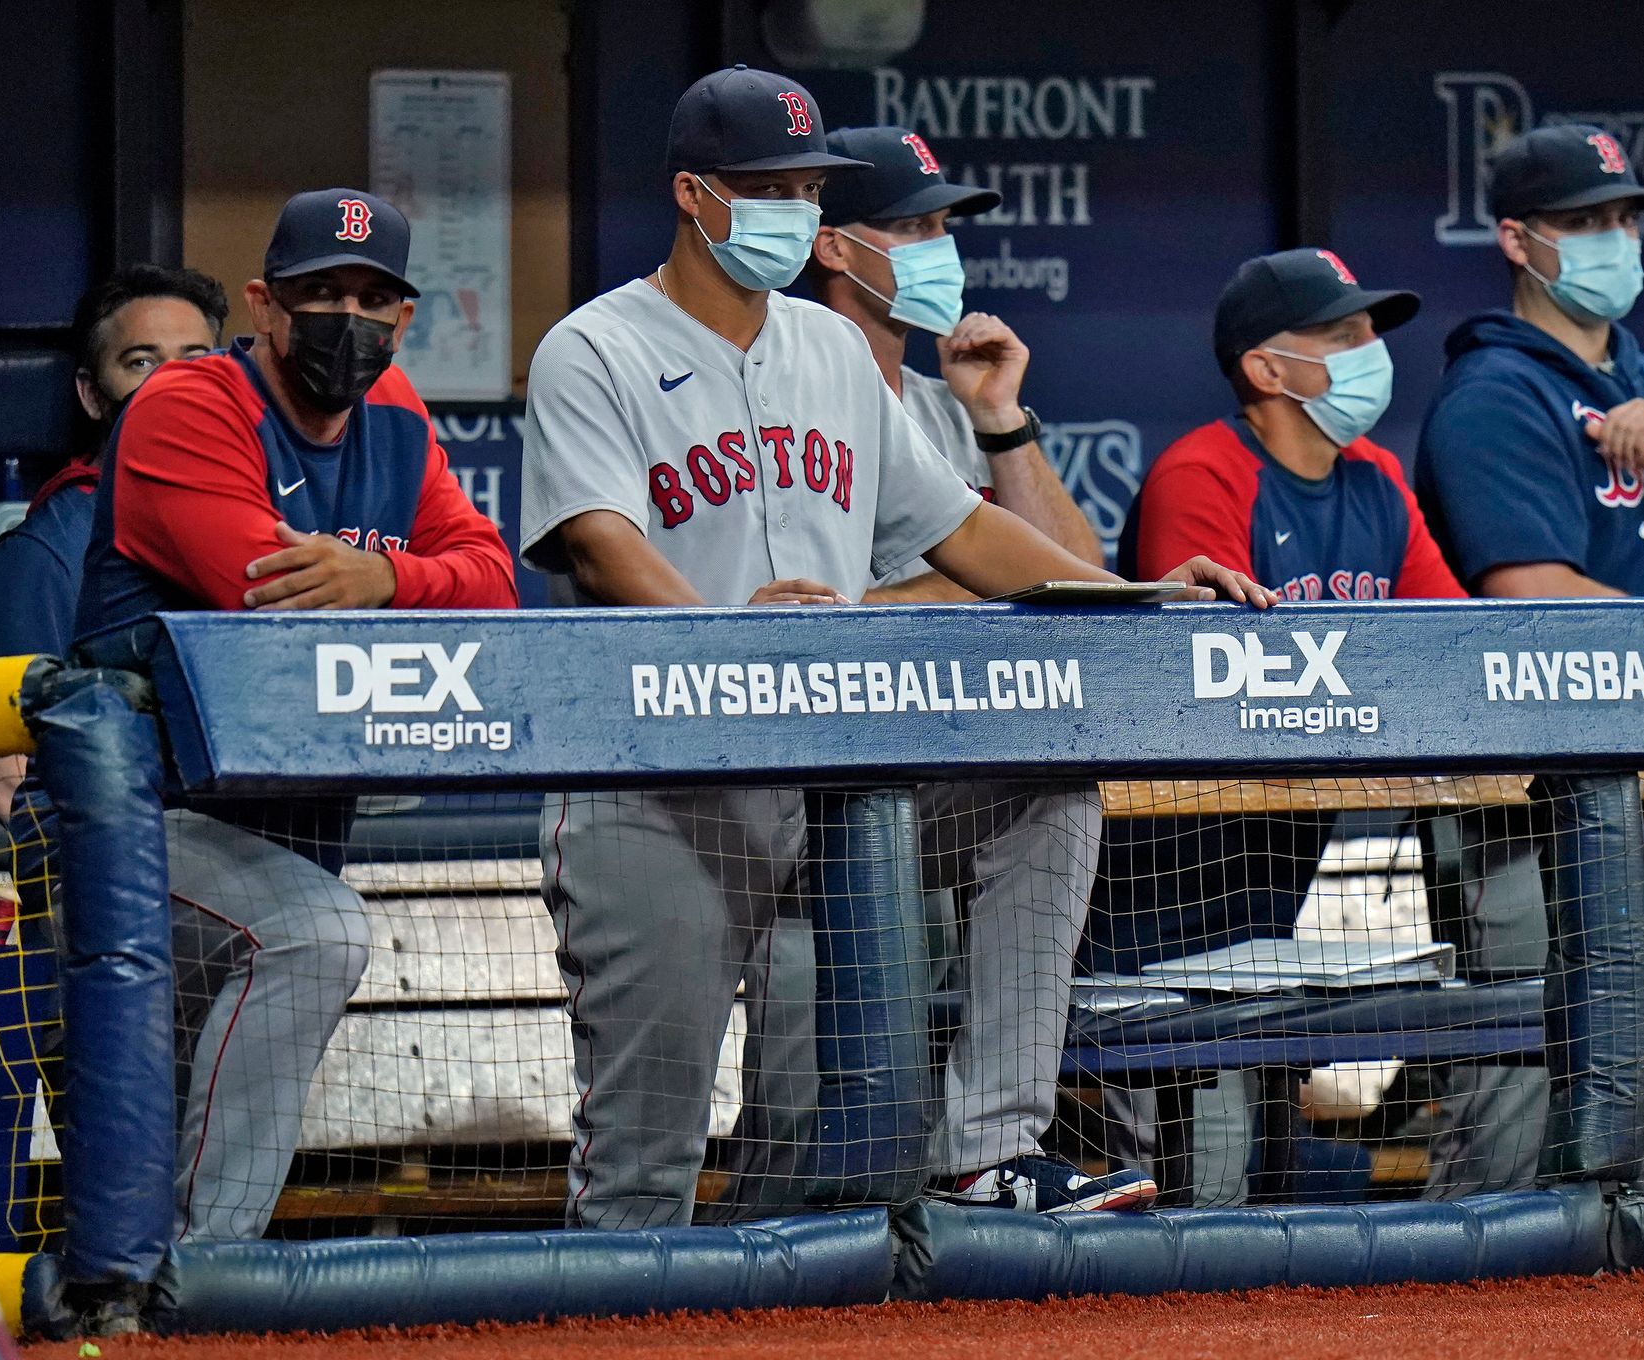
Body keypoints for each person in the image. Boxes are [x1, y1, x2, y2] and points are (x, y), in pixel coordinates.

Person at [520, 66, 1267, 1228]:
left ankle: (986, 1148)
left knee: (1043, 787)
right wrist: (729, 642)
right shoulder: (595, 347)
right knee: (641, 1176)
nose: (789, 207)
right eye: (764, 185)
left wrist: (1139, 593)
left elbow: (967, 530)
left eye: (807, 186)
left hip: (834, 787)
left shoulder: (825, 347)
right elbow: (604, 545)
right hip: (659, 786)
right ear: (692, 194)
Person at [75, 188, 519, 1241]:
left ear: (405, 317)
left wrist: (377, 576)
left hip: (278, 836)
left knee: (164, 1119)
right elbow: (267, 595)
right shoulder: (188, 403)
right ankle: (208, 1270)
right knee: (316, 934)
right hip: (127, 829)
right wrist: (403, 576)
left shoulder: (399, 414)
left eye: (374, 298)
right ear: (267, 303)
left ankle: (171, 1278)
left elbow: (497, 582)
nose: (349, 320)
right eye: (322, 293)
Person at [1414, 124, 1644, 1196]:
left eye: (1626, 219)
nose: (1614, 241)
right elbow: (1531, 594)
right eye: (1585, 223)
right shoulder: (1494, 392)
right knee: (1517, 1113)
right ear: (1519, 241)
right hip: (1533, 813)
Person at [1090, 247, 1466, 1198]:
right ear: (1265, 368)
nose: (1370, 350)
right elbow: (1202, 685)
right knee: (1196, 1166)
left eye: (1370, 331)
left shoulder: (1376, 477)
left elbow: (1449, 645)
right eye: (1341, 334)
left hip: (1275, 869)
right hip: (1161, 883)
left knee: (1264, 1163)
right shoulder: (1203, 473)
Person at [805, 123, 1117, 1206]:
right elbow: (827, 611)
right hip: (792, 783)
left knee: (1054, 788)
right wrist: (976, 585)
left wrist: (1000, 422)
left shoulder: (941, 406)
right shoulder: (793, 379)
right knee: (795, 1160)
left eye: (946, 224)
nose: (942, 246)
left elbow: (1073, 581)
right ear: (837, 247)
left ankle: (991, 1148)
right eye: (915, 224)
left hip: (925, 778)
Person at [0, 265, 228, 820]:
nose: (172, 383)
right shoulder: (43, 554)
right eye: (141, 362)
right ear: (91, 394)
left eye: (197, 360)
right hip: (118, 864)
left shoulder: (255, 528)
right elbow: (6, 785)